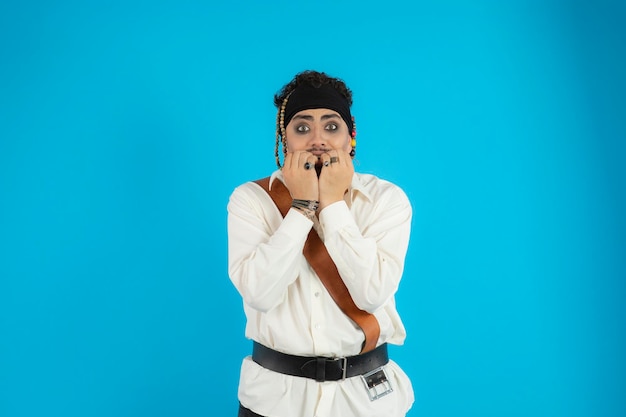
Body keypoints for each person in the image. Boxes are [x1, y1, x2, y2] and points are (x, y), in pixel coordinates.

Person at [227, 70, 414, 417]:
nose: (318, 140)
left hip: (365, 403)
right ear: (284, 139)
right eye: (301, 127)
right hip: (274, 401)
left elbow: (372, 293)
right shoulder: (251, 200)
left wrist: (332, 206)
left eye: (331, 126)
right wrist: (301, 208)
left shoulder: (386, 200)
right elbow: (259, 293)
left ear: (351, 135)